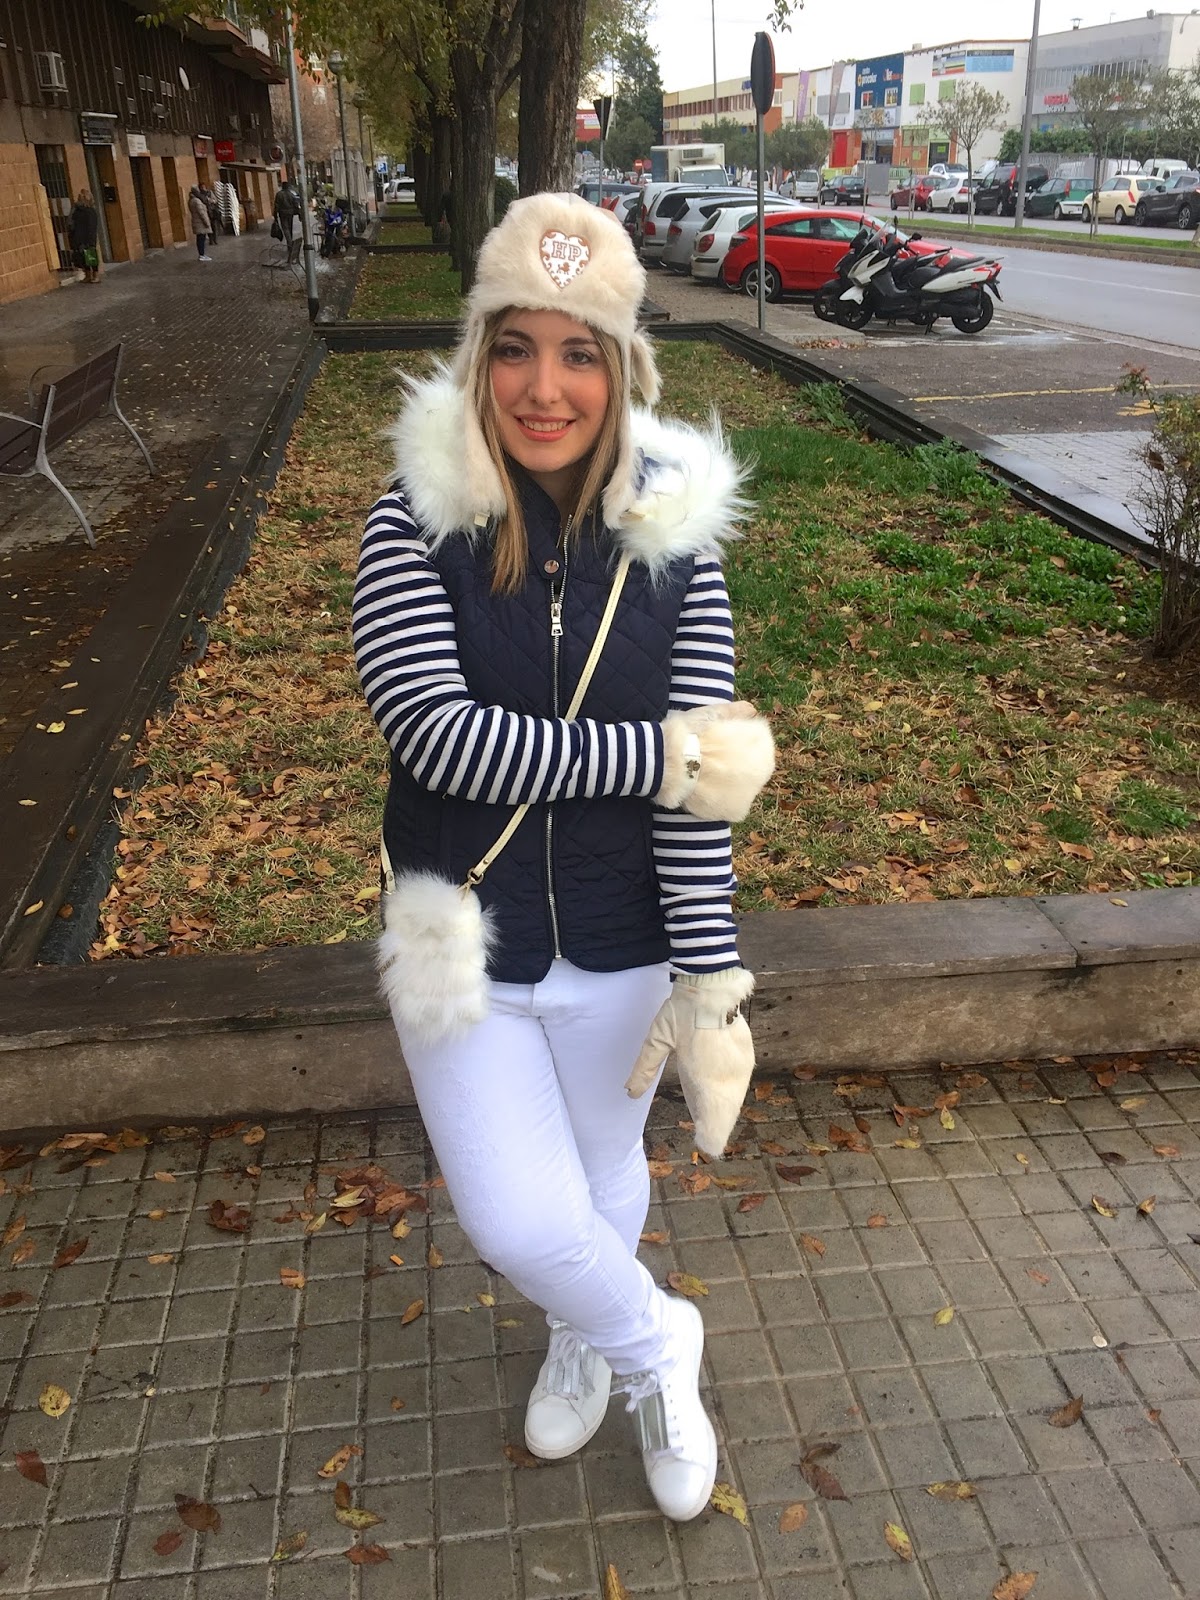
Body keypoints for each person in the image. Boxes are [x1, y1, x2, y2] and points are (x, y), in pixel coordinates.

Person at [353, 193, 775, 1523]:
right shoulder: (410, 519)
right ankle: (657, 1339)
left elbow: (701, 799)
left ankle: (584, 1335)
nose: (546, 388)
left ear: (623, 366)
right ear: (479, 355)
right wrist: (654, 753)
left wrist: (708, 975)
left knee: (598, 1174)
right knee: (517, 1219)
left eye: (579, 352)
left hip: (623, 936)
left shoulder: (678, 537)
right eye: (516, 349)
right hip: (461, 938)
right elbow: (439, 735)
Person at [67, 189, 100, 284]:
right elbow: (71, 222)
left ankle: (95, 275)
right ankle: (88, 275)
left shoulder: (90, 211)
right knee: (82, 256)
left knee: (91, 255)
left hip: (86, 237)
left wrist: (90, 239)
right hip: (79, 236)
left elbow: (91, 226)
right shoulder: (77, 210)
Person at [187, 184, 212, 261]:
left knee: (200, 238)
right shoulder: (197, 201)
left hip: (196, 221)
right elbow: (201, 213)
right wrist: (207, 222)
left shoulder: (191, 200)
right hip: (200, 223)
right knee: (201, 239)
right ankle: (202, 255)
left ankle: (202, 254)